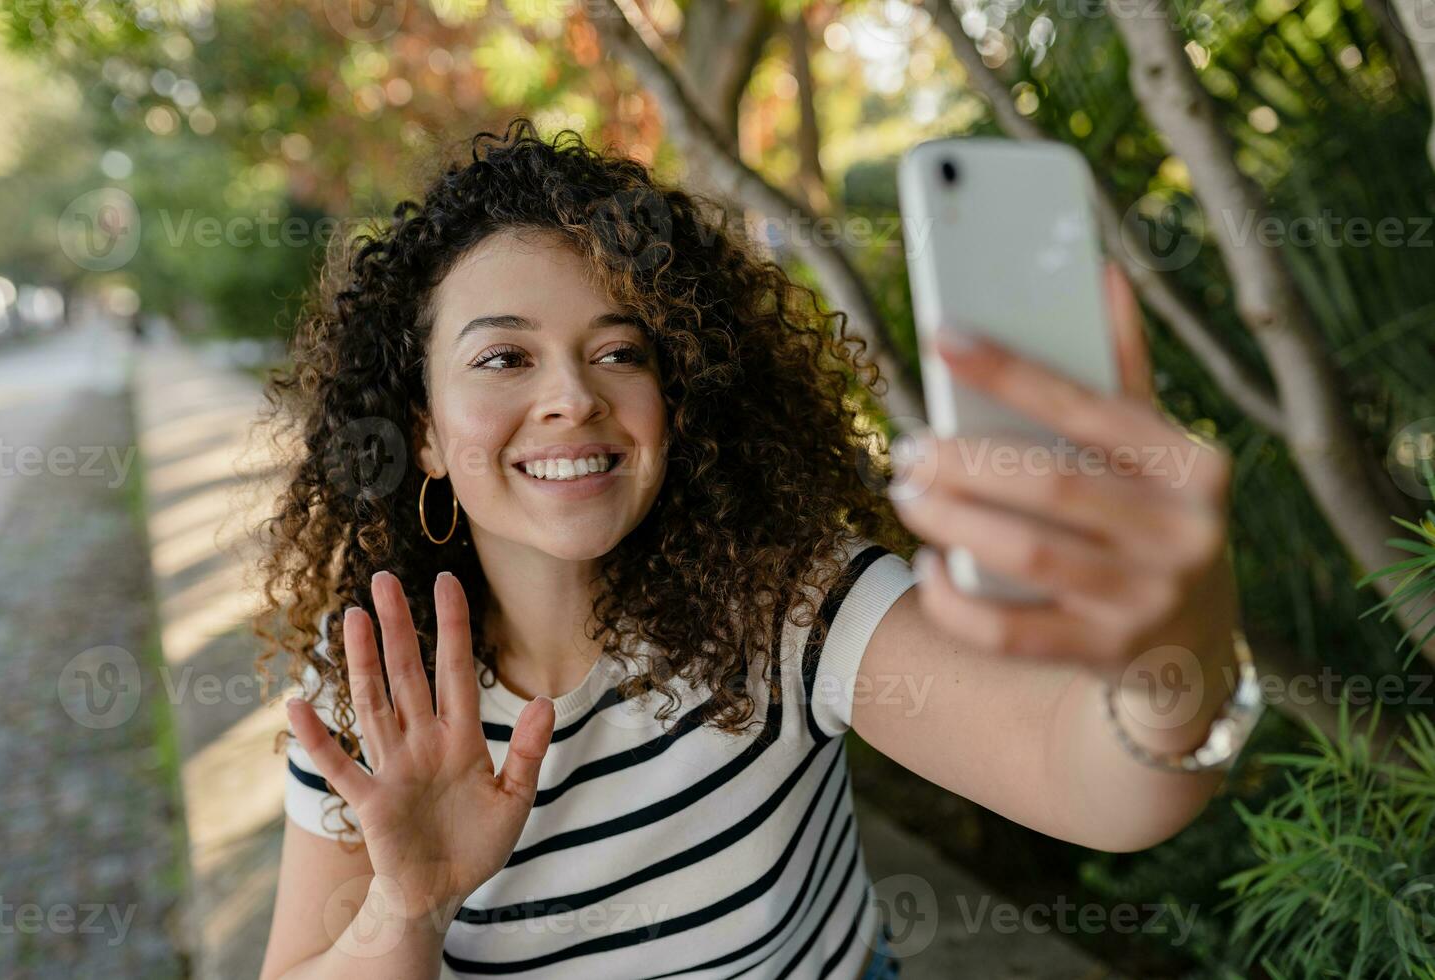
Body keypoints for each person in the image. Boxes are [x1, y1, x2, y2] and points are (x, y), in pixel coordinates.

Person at [253, 119, 1245, 980]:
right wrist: (407, 906)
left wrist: (1172, 643)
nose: (573, 395)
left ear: (673, 397)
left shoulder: (789, 600)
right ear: (422, 427)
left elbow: (1093, 779)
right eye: (504, 356)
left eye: (620, 350)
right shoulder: (372, 687)